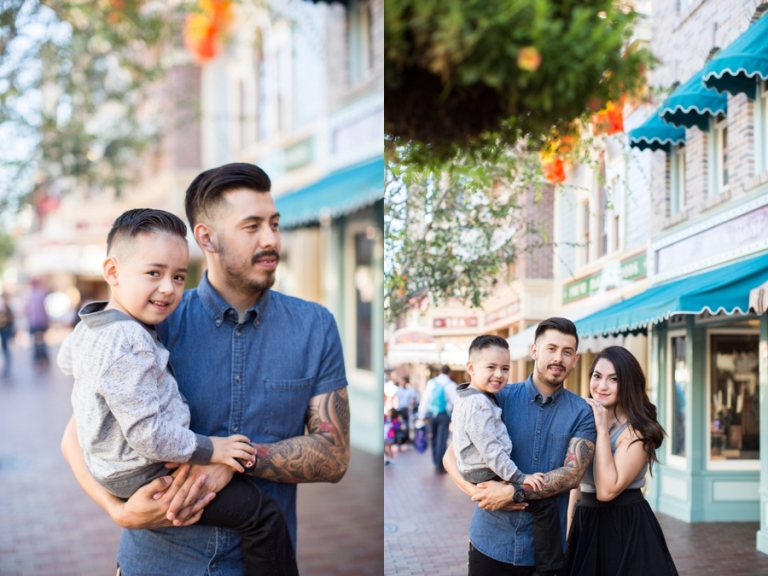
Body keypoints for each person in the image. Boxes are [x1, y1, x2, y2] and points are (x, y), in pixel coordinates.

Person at [61, 163, 351, 575]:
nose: (271, 240)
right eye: (251, 226)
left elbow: (334, 456)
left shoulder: (315, 326)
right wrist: (117, 511)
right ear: (206, 238)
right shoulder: (150, 324)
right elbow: (77, 433)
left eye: (274, 223)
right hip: (156, 562)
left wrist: (230, 460)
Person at [443, 317, 596, 576]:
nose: (558, 358)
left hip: (544, 555)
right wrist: (480, 494)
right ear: (534, 351)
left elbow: (572, 475)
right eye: (551, 348)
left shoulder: (582, 412)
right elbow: (451, 456)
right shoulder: (495, 397)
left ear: (575, 360)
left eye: (567, 352)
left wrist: (512, 493)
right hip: (489, 542)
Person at [452, 335, 562, 576]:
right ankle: (549, 569)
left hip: (477, 469)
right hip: (484, 470)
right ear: (471, 368)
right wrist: (519, 477)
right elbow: (492, 451)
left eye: (504, 368)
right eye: (490, 367)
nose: (499, 375)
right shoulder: (479, 404)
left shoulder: (474, 396)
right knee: (543, 506)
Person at [566, 346, 679, 576]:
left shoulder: (638, 431)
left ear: (628, 383)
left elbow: (606, 491)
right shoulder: (583, 419)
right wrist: (567, 533)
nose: (601, 386)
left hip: (624, 526)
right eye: (597, 376)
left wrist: (602, 430)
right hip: (585, 523)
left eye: (613, 379)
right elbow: (574, 482)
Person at [419, 364, 458, 473]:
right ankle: (440, 464)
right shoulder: (451, 384)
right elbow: (455, 402)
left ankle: (435, 462)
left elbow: (425, 399)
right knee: (442, 439)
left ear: (440, 371)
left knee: (434, 438)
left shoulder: (432, 382)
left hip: (431, 414)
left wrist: (422, 415)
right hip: (443, 415)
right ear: (449, 373)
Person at [25, 278, 49, 367]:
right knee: (42, 340)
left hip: (34, 322)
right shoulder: (41, 293)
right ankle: (43, 356)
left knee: (36, 340)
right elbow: (44, 309)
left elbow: (27, 310)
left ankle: (37, 357)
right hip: (41, 321)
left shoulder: (29, 295)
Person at [0, 294, 14, 376]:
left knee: (6, 349)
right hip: (2, 331)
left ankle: (7, 367)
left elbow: (11, 320)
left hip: (6, 331)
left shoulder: (8, 309)